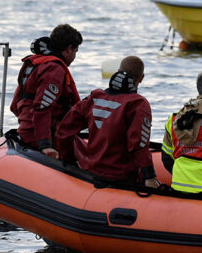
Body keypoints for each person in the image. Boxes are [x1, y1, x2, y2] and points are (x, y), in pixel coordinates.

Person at [55, 55, 158, 189]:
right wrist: (149, 176)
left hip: (92, 172)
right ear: (142, 78)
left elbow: (64, 131)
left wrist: (69, 161)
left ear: (118, 70)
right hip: (121, 177)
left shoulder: (95, 97)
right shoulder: (138, 104)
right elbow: (139, 144)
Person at [9, 24, 82, 159]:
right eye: (76, 51)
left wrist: (26, 123)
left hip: (25, 131)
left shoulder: (33, 64)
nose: (74, 56)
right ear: (69, 48)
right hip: (45, 137)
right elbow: (42, 107)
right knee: (87, 157)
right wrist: (45, 144)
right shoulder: (54, 69)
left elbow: (14, 105)